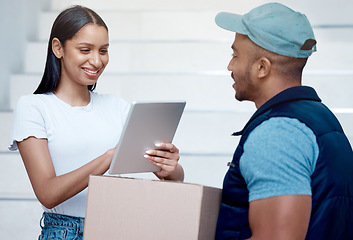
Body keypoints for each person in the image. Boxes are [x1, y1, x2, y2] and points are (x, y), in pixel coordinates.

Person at [9, 5, 184, 240]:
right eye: (85, 50)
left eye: (103, 51)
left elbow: (176, 178)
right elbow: (48, 193)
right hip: (66, 232)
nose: (96, 61)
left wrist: (170, 169)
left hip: (119, 228)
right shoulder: (34, 108)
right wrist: (109, 157)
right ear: (58, 48)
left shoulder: (118, 107)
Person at [214, 3, 353, 239]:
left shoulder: (277, 134)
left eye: (235, 55)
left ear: (261, 67)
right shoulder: (318, 119)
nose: (230, 65)